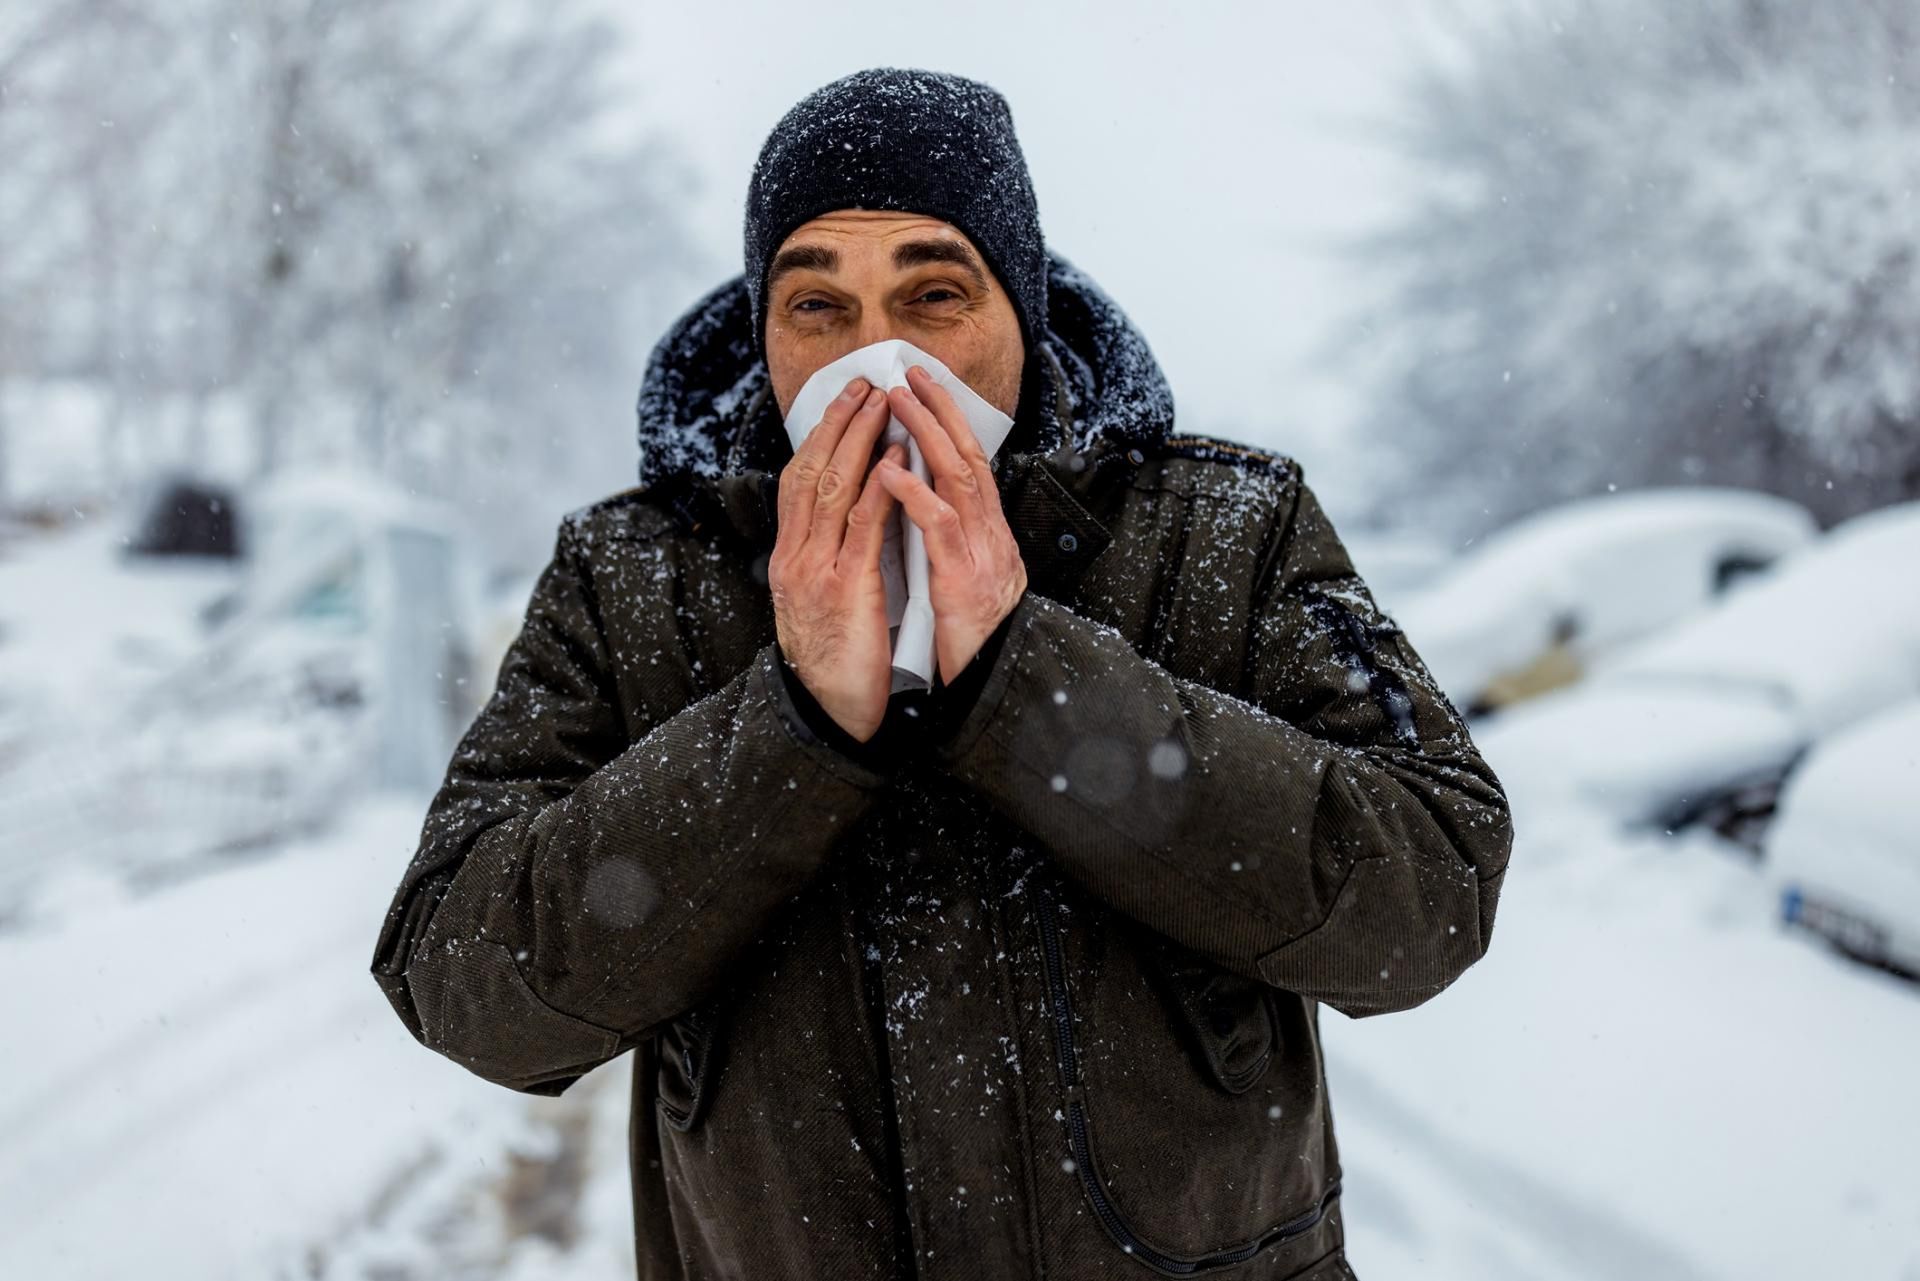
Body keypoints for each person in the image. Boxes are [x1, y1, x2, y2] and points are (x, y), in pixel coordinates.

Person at [369, 66, 1514, 1281]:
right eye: (818, 306)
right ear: (765, 332)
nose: (879, 365)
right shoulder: (634, 574)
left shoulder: (1223, 530)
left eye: (934, 294)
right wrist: (791, 724)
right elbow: (460, 977)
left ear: (1019, 305)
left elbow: (1431, 889)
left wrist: (1029, 683)